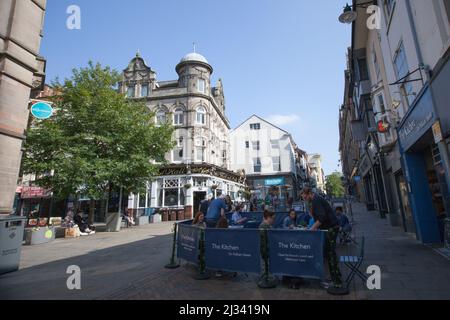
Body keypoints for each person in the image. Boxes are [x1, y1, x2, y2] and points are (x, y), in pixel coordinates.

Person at [301, 187, 343, 289]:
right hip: (330, 228)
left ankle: (337, 281)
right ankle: (334, 278)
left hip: (331, 228)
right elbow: (318, 217)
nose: (304, 199)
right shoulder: (316, 200)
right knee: (329, 253)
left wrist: (312, 229)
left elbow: (322, 217)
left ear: (309, 193)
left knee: (331, 254)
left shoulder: (316, 200)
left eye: (304, 196)